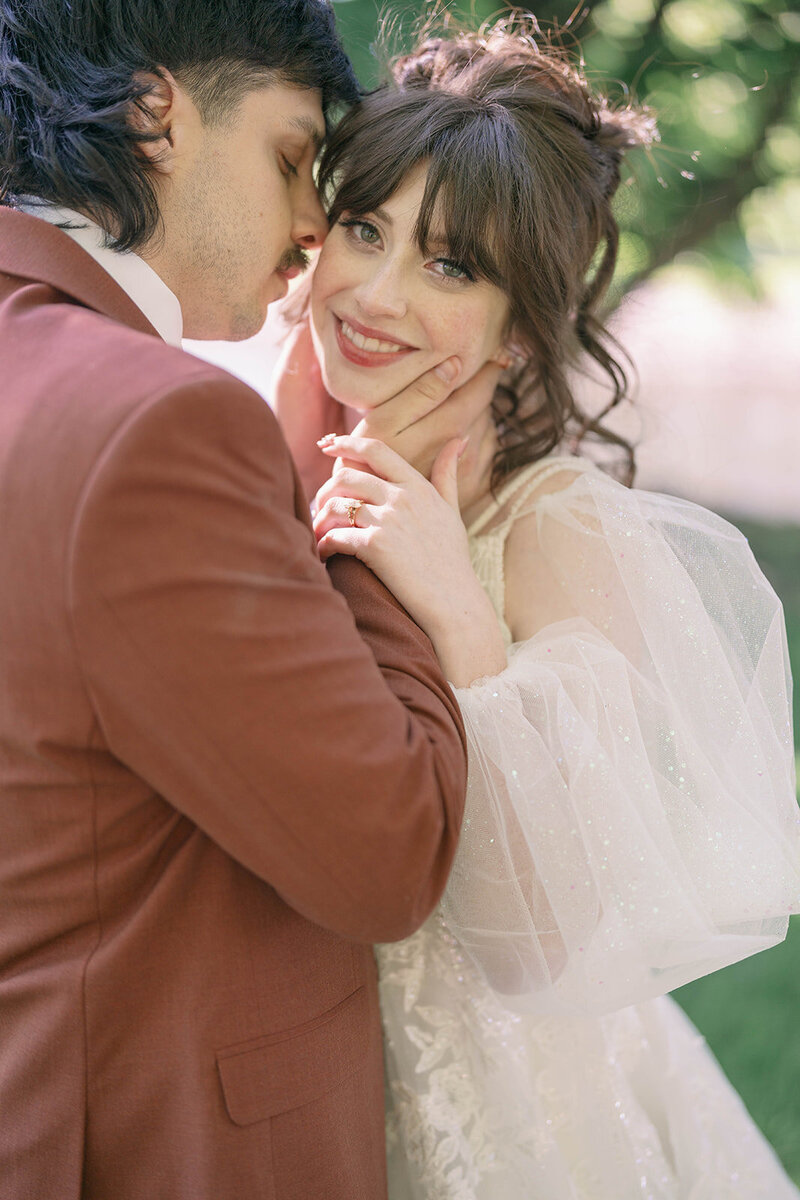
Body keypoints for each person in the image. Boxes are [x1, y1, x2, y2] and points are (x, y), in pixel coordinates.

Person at [281, 16, 800, 1198]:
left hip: (493, 1079)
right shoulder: (262, 430)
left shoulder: (553, 526)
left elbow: (550, 936)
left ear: (518, 335)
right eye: (364, 228)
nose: (373, 291)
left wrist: (454, 602)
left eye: (449, 264)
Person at [0, 3, 506, 1196]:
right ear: (152, 113)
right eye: (290, 157)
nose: (310, 227)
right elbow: (387, 854)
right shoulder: (154, 423)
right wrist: (374, 506)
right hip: (145, 1132)